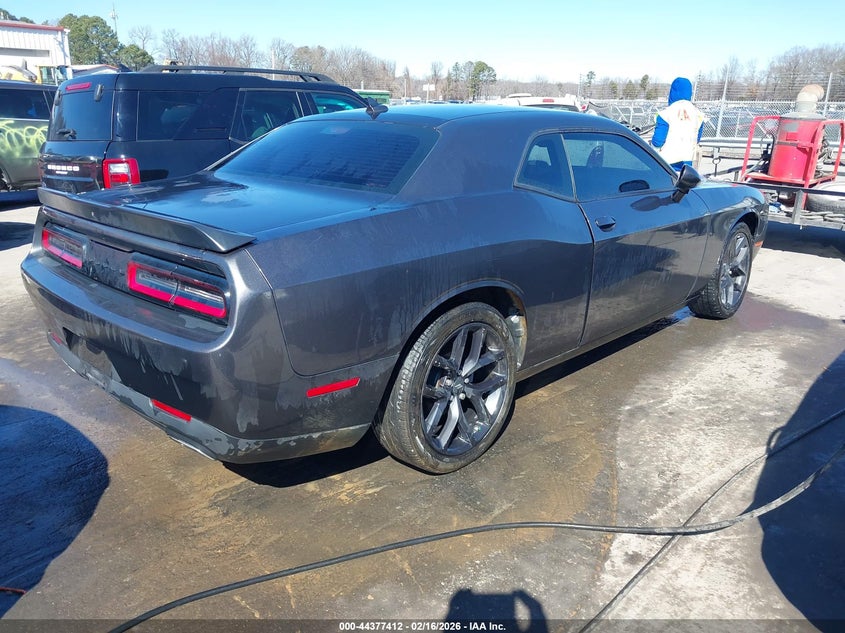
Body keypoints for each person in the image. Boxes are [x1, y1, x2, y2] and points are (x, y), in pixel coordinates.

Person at [651, 77, 706, 171]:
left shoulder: (665, 114)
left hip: (666, 162)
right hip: (688, 161)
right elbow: (697, 139)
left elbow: (657, 141)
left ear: (673, 92)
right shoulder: (698, 114)